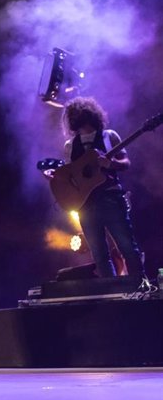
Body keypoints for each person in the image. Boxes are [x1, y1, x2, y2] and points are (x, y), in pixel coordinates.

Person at [58, 97, 146, 282]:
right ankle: (111, 294)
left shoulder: (109, 136)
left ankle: (140, 288)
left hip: (111, 198)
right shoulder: (69, 146)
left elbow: (126, 162)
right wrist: (56, 179)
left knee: (127, 247)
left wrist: (111, 163)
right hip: (85, 205)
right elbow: (71, 175)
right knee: (99, 255)